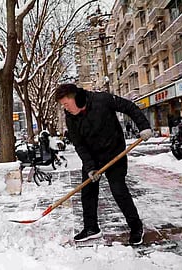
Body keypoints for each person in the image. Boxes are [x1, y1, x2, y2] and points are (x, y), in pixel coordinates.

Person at [55, 83, 152, 245]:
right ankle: (91, 227)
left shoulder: (102, 99)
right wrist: (91, 167)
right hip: (93, 157)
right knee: (88, 191)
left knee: (118, 190)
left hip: (115, 153)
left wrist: (144, 127)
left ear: (76, 98)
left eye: (66, 103)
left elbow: (129, 107)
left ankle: (136, 227)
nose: (65, 108)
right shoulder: (70, 117)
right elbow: (79, 144)